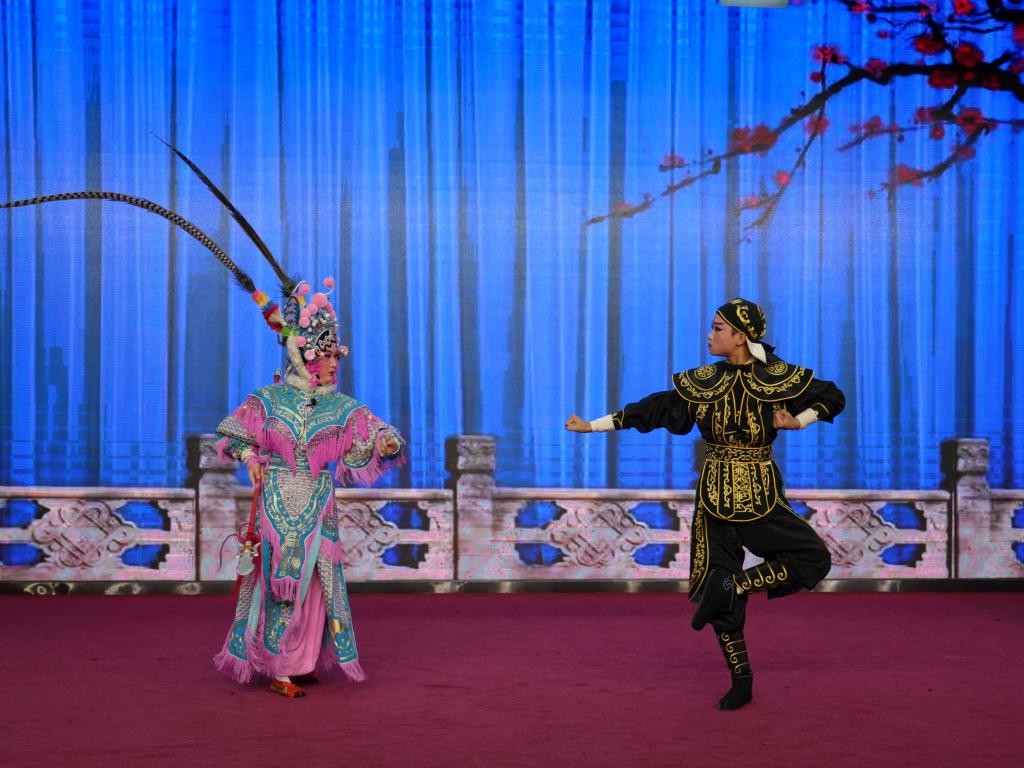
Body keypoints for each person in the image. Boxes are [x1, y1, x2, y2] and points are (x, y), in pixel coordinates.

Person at [565, 298, 844, 711]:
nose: (710, 335)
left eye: (718, 328)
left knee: (813, 557)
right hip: (714, 498)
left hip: (761, 494)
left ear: (741, 336)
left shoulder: (778, 378)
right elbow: (653, 410)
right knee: (719, 592)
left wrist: (798, 420)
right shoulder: (704, 383)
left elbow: (832, 397)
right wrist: (593, 426)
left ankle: (734, 584)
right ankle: (741, 679)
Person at [214, 279, 405, 698]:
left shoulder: (341, 406)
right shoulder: (269, 399)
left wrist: (387, 443)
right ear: (305, 357)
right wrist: (250, 460)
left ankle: (302, 661)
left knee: (320, 583)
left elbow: (377, 432)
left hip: (319, 502)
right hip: (278, 499)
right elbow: (233, 433)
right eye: (327, 355)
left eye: (337, 355)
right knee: (284, 579)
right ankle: (279, 666)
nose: (335, 363)